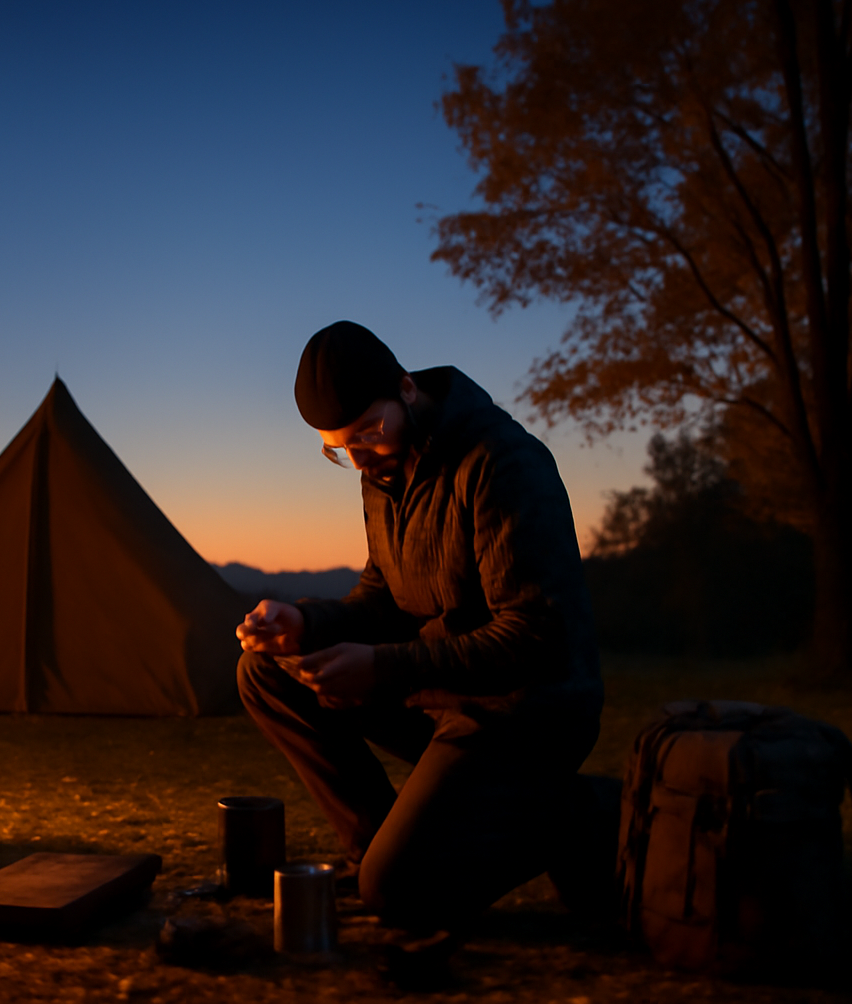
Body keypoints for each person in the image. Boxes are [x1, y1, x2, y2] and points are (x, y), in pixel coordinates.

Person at [236, 320, 604, 935]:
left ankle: (572, 812)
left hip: (523, 713)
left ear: (406, 388)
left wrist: (382, 668)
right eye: (338, 448)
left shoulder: (502, 462)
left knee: (403, 896)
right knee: (264, 673)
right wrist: (304, 621)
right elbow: (384, 596)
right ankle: (379, 846)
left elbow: (535, 634)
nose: (358, 456)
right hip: (440, 694)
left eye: (365, 433)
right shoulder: (383, 470)